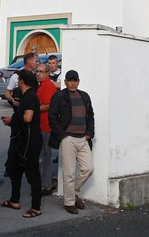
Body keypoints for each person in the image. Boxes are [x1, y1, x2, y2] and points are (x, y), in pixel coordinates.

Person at [48, 70, 95, 215]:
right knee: (69, 173)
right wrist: (62, 135)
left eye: (75, 80)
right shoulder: (59, 96)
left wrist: (89, 133)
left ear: (78, 82)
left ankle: (73, 192)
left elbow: (90, 115)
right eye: (70, 80)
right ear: (65, 82)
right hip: (68, 138)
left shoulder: (85, 96)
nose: (73, 83)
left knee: (88, 168)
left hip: (83, 139)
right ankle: (69, 203)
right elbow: (52, 116)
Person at [0, 70, 42, 218]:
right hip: (20, 141)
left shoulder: (30, 96)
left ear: (23, 81)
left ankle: (36, 207)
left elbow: (28, 117)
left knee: (32, 173)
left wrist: (12, 121)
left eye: (18, 79)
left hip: (29, 142)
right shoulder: (26, 96)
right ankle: (14, 200)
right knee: (14, 170)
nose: (17, 82)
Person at [35, 63, 57, 195]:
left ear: (47, 73)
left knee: (45, 156)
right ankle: (46, 182)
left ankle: (47, 184)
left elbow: (49, 105)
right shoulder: (43, 85)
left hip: (46, 126)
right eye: (37, 71)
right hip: (42, 125)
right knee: (43, 155)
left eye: (41, 72)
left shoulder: (48, 86)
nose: (38, 74)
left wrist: (33, 109)